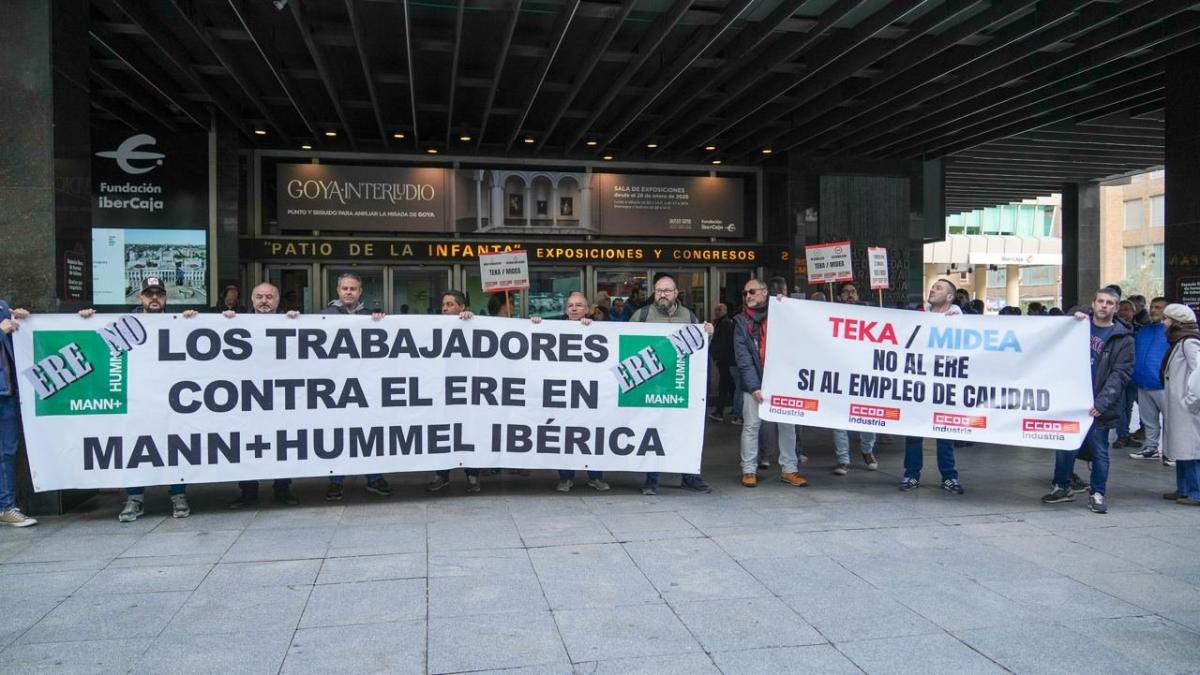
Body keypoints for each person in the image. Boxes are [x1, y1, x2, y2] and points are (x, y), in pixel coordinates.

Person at [80, 277, 199, 521]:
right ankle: (135, 499)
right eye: (149, 294)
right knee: (135, 446)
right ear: (140, 297)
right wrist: (85, 318)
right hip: (137, 398)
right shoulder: (121, 325)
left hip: (172, 398)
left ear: (166, 297)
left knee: (175, 446)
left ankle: (178, 495)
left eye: (159, 293)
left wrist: (196, 321)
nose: (154, 298)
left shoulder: (179, 321)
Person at [1041, 287, 1134, 514]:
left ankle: (1097, 492)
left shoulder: (1123, 338)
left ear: (1116, 307)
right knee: (1064, 446)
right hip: (1072, 401)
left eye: (1109, 303)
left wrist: (1102, 403)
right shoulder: (1078, 326)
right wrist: (1073, 318)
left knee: (1100, 450)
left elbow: (1120, 374)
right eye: (1100, 301)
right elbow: (1051, 335)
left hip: (1098, 405)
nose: (1104, 306)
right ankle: (1062, 486)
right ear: (1093, 304)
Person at [632, 273, 713, 495]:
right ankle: (651, 480)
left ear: (676, 293)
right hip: (653, 385)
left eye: (667, 291)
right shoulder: (642, 315)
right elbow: (627, 343)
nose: (662, 295)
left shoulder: (689, 316)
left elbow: (700, 346)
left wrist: (708, 335)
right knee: (654, 432)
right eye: (658, 291)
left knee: (686, 431)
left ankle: (690, 476)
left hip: (681, 383)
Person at [227, 283, 302, 508]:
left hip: (280, 397)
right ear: (251, 301)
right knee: (248, 444)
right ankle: (248, 491)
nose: (264, 301)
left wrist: (296, 322)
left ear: (278, 301)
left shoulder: (289, 322)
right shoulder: (236, 322)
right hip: (248, 397)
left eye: (269, 297)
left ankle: (282, 489)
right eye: (259, 297)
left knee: (282, 443)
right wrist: (224, 322)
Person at [320, 273, 392, 501]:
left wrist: (381, 321)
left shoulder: (370, 316)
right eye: (344, 288)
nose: (348, 292)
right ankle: (336, 481)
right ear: (337, 291)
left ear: (360, 292)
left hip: (365, 386)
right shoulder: (323, 316)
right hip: (336, 387)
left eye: (353, 289)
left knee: (368, 433)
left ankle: (374, 478)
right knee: (339, 434)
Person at [533, 292, 610, 493]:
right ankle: (566, 478)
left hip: (589, 394)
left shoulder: (599, 329)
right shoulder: (552, 327)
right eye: (570, 306)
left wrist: (592, 328)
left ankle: (596, 477)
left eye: (579, 305)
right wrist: (535, 325)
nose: (574, 309)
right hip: (564, 393)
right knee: (565, 436)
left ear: (587, 309)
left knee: (592, 435)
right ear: (565, 309)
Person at [733, 278, 806, 489]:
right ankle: (748, 470)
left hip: (782, 381)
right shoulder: (740, 322)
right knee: (751, 426)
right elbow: (743, 358)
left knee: (788, 426)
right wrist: (754, 386)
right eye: (745, 293)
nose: (748, 296)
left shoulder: (781, 313)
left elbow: (802, 332)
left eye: (752, 291)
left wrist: (787, 305)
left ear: (765, 293)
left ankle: (789, 469)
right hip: (754, 383)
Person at [901, 279, 964, 494]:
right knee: (913, 432)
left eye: (939, 288)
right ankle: (911, 474)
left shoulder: (959, 319)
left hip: (944, 384)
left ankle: (949, 476)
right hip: (919, 382)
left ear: (949, 297)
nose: (932, 289)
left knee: (945, 432)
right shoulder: (918, 315)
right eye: (932, 286)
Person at [427, 290, 484, 493]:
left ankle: (472, 475)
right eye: (444, 304)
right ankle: (441, 475)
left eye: (450, 304)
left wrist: (470, 320)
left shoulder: (471, 323)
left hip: (468, 391)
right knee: (443, 433)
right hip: (443, 392)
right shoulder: (434, 326)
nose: (444, 308)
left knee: (469, 432)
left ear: (462, 308)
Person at [831, 281, 878, 474]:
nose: (850, 294)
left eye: (853, 291)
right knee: (838, 418)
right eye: (845, 292)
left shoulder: (869, 313)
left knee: (867, 416)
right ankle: (843, 459)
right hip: (839, 373)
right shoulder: (830, 313)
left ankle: (867, 450)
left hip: (864, 373)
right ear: (839, 296)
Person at [1159, 304, 1200, 505]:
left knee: (1191, 451)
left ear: (1176, 322)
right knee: (1181, 449)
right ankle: (1183, 489)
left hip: (1187, 408)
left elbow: (1199, 373)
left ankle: (1195, 492)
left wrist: (1190, 402)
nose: (1163, 322)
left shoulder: (1189, 343)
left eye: (1166, 319)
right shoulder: (1178, 341)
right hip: (1180, 407)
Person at [0, 299, 36, 527]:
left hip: (7, 390)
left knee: (7, 452)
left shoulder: (2, 306)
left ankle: (6, 506)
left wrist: (24, 321)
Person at [1129, 297, 1170, 462]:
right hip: (1142, 382)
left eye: (1158, 307)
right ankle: (1150, 448)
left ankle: (1171, 451)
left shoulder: (1171, 331)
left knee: (1171, 420)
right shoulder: (1143, 331)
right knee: (1149, 420)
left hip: (1163, 384)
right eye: (1152, 307)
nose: (1153, 310)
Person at [709, 303, 736, 423]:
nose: (717, 311)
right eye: (716, 309)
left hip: (724, 358)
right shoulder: (721, 322)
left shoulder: (724, 323)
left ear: (725, 310)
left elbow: (724, 342)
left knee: (724, 384)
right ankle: (736, 408)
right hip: (725, 358)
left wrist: (718, 356)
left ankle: (719, 411)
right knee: (729, 384)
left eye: (719, 309)